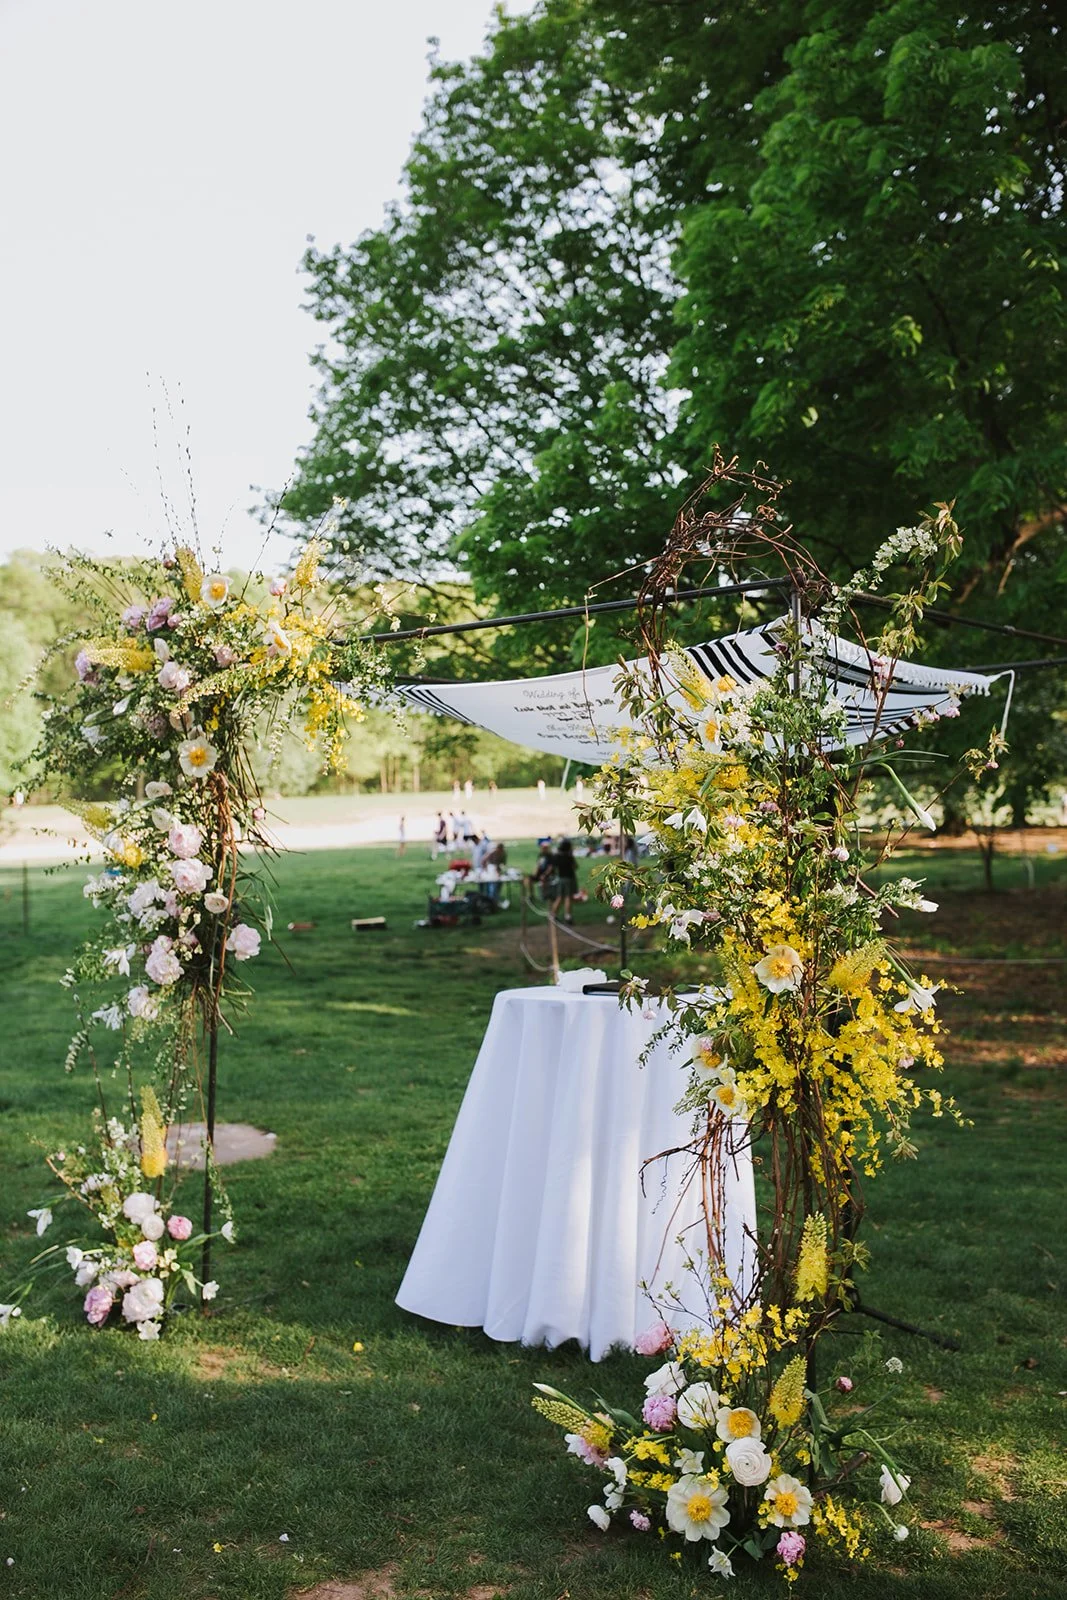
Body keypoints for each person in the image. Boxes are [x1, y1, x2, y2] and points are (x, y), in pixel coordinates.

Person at [551, 837, 578, 925]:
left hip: (560, 878)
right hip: (569, 879)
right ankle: (568, 916)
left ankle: (553, 915)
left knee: (559, 897)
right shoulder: (569, 857)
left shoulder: (557, 856)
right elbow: (575, 867)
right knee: (567, 898)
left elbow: (553, 867)